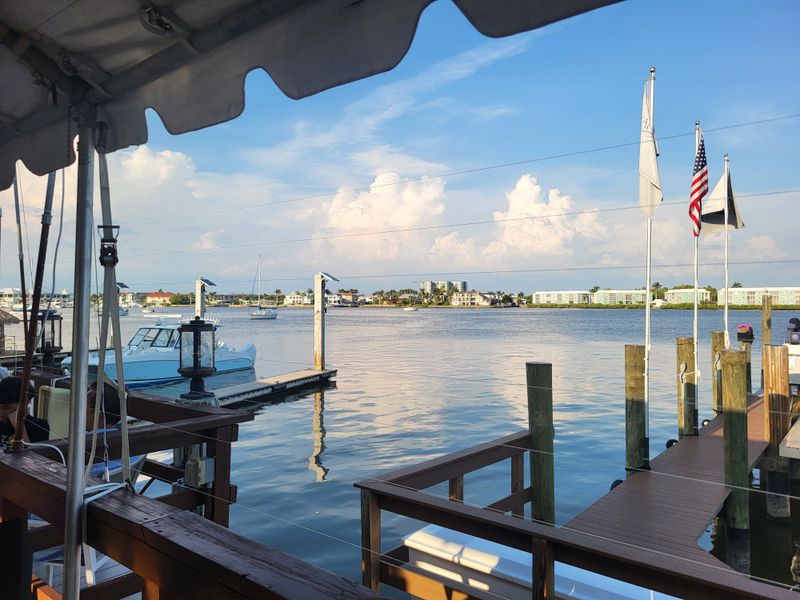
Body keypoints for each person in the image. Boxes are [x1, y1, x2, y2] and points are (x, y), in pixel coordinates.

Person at [0, 376, 49, 443]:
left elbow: (31, 453)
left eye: (6, 408)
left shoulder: (39, 426)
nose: (1, 414)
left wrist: (19, 427)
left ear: (25, 403)